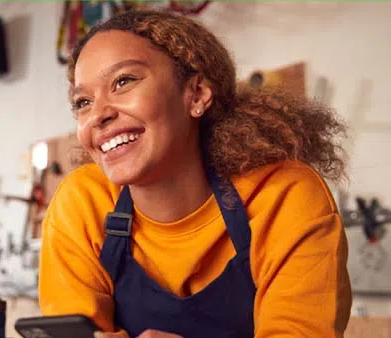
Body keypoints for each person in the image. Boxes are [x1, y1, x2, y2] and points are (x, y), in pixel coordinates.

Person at [38, 9, 352, 338]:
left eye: (124, 81)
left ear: (197, 93)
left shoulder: (282, 194)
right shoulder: (82, 203)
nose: (98, 115)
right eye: (83, 102)